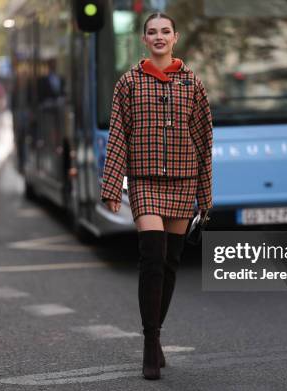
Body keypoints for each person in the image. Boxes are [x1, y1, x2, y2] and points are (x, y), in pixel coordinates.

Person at [100, 13, 213, 380]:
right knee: (152, 258)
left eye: (165, 31)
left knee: (170, 265)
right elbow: (118, 135)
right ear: (144, 40)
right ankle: (150, 341)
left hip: (183, 180)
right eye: (152, 32)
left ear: (175, 38)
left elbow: (203, 142)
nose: (159, 37)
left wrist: (206, 197)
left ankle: (156, 334)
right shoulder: (128, 83)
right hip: (144, 182)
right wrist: (112, 185)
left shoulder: (193, 84)